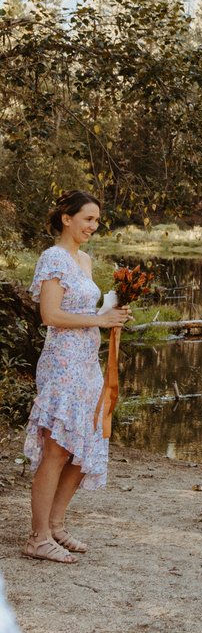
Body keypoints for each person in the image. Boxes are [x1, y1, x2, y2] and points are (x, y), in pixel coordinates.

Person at [22, 191, 131, 563]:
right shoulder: (53, 258)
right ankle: (37, 538)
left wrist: (112, 313)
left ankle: (55, 524)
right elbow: (51, 316)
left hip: (87, 364)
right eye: (87, 219)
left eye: (97, 221)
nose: (93, 227)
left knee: (77, 448)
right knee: (56, 448)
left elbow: (85, 308)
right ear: (66, 218)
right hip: (62, 363)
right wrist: (99, 320)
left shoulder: (83, 259)